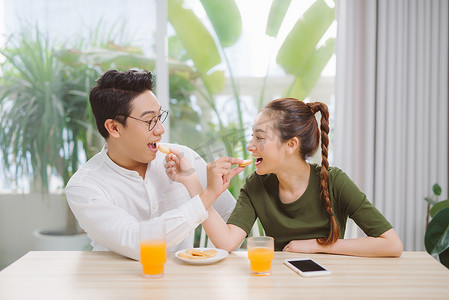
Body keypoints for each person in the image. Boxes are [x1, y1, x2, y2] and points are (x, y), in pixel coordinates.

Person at [167, 97, 403, 257]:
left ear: (290, 145)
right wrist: (193, 182)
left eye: (260, 138)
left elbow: (392, 244)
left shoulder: (334, 181)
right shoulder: (256, 184)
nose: (250, 146)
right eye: (252, 137)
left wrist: (319, 246)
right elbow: (227, 243)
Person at [65, 69, 243, 260]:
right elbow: (138, 243)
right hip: (115, 285)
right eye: (150, 121)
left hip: (182, 283)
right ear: (114, 128)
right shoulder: (85, 187)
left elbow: (233, 222)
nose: (160, 129)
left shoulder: (184, 160)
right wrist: (206, 196)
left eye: (159, 117)